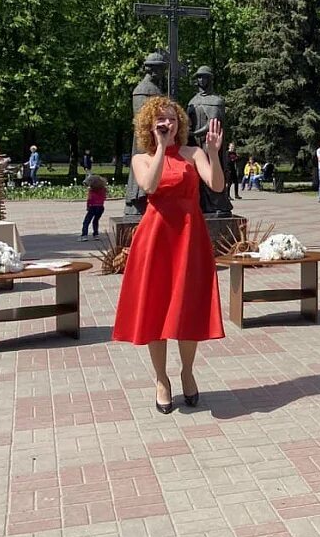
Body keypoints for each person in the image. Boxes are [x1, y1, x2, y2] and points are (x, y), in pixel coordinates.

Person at [112, 96, 226, 413]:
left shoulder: (193, 153)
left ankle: (187, 371)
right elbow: (149, 187)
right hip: (156, 238)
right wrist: (162, 148)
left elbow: (216, 186)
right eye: (160, 119)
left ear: (180, 123)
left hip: (189, 237)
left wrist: (214, 154)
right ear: (150, 125)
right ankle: (161, 379)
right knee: (156, 308)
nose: (167, 123)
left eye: (172, 119)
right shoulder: (142, 158)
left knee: (187, 307)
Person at [79, 175, 108, 241]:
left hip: (92, 206)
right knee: (95, 221)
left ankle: (84, 235)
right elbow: (104, 198)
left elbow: (89, 199)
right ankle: (96, 234)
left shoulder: (91, 190)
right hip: (100, 207)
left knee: (86, 222)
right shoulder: (103, 189)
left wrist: (88, 206)